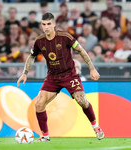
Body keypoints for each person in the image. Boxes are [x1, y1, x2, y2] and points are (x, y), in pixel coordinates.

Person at [17, 13, 104, 142]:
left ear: (53, 24)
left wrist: (92, 68)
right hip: (52, 77)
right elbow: (32, 56)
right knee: (39, 104)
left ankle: (96, 127)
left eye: (48, 24)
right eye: (44, 24)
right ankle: (45, 136)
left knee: (82, 101)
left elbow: (81, 50)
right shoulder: (39, 41)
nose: (46, 27)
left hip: (70, 75)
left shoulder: (64, 37)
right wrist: (25, 72)